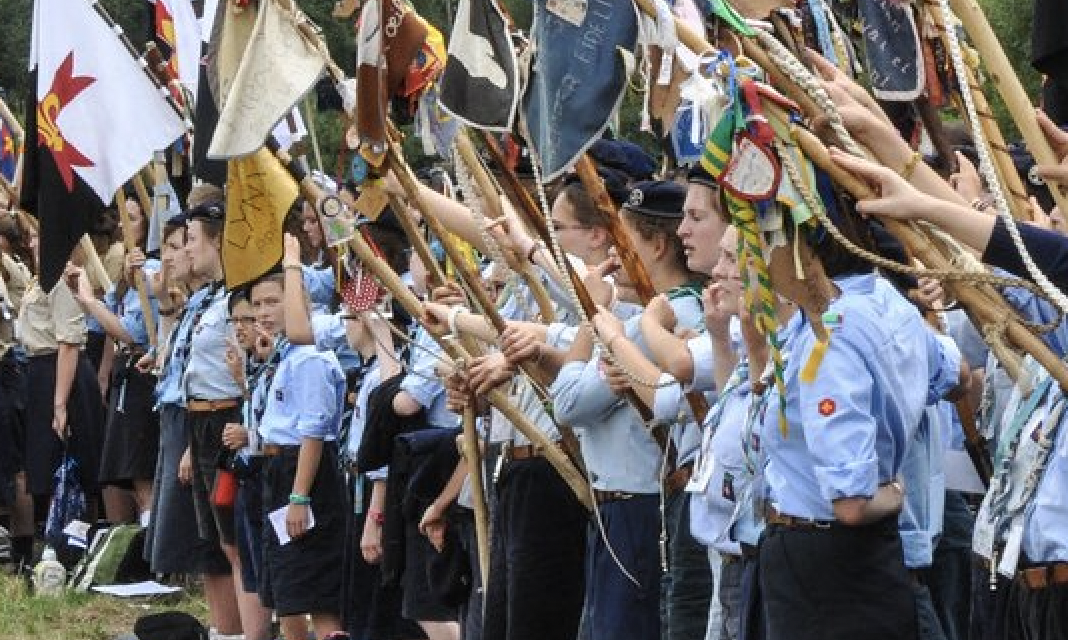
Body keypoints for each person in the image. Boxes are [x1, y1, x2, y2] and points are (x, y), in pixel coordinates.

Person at [248, 269, 348, 640]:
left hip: (302, 472)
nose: (264, 312)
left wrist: (299, 496)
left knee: (315, 590)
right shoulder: (283, 355)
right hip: (276, 467)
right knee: (287, 591)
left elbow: (313, 432)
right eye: (257, 304)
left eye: (274, 301)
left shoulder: (310, 358)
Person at [69, 197, 161, 525]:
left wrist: (91, 302)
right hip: (125, 375)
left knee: (142, 473)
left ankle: (153, 555)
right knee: (130, 477)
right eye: (123, 218)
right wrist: (80, 293)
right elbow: (98, 321)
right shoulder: (124, 278)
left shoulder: (151, 271)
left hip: (144, 373)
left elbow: (129, 332)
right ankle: (142, 544)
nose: (124, 224)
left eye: (133, 218)